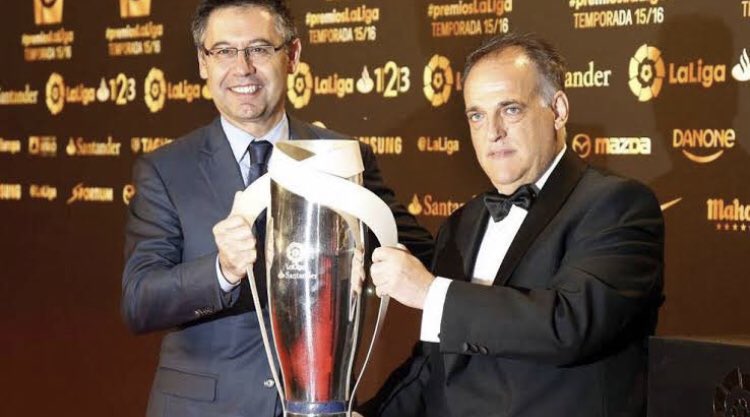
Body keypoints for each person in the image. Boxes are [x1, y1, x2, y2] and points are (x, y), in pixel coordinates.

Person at [121, 1, 433, 416]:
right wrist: (222, 271)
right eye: (224, 51)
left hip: (320, 404)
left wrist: (372, 263)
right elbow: (140, 302)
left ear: (293, 55)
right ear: (202, 62)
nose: (243, 68)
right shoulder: (165, 169)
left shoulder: (343, 156)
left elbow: (417, 259)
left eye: (259, 49)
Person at [363, 33, 664, 417]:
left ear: (558, 110)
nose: (493, 132)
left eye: (510, 109)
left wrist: (431, 293)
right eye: (477, 115)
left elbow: (570, 325)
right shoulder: (462, 223)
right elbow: (432, 367)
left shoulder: (616, 205)